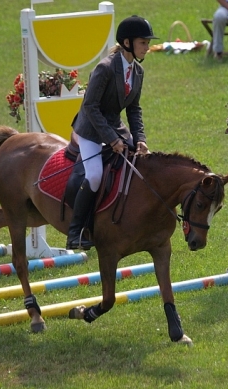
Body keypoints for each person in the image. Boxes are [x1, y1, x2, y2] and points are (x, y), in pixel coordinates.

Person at [66, 15, 156, 250]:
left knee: (140, 164)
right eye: (143, 42)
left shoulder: (137, 71)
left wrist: (140, 140)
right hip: (90, 129)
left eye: (147, 42)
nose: (147, 47)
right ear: (127, 43)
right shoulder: (105, 68)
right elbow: (90, 107)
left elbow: (134, 109)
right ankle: (76, 231)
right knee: (95, 174)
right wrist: (112, 140)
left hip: (114, 125)